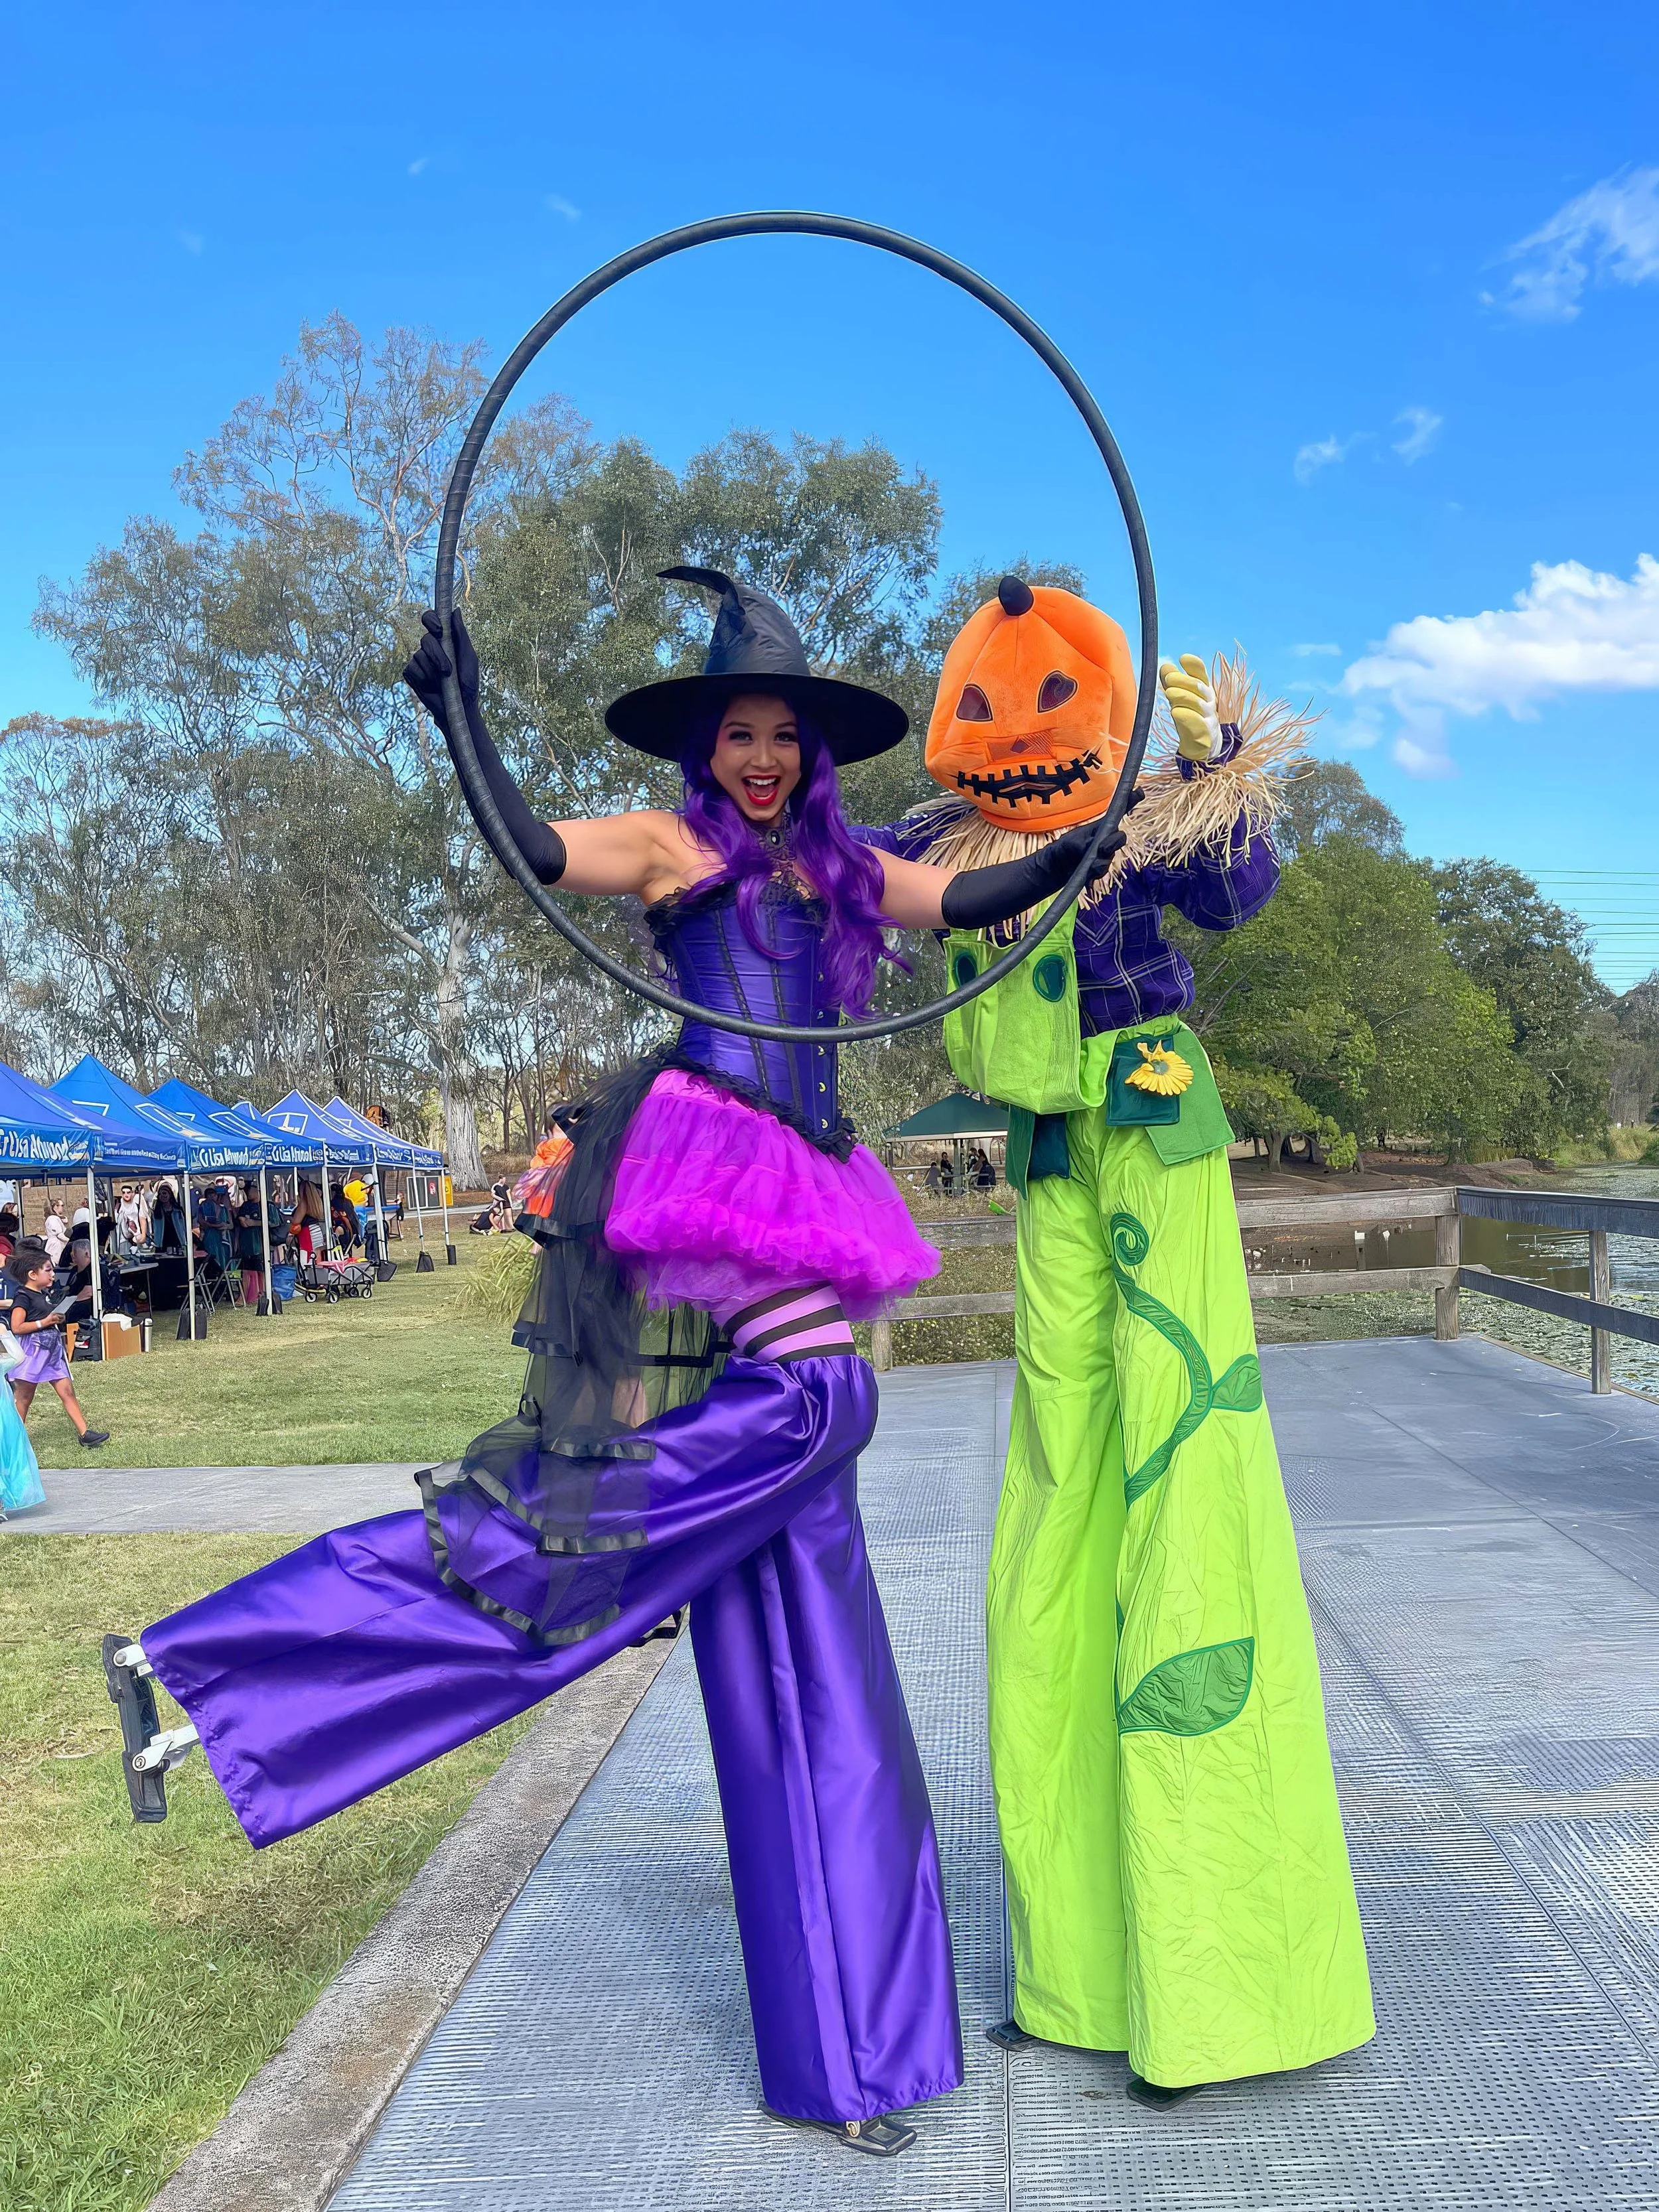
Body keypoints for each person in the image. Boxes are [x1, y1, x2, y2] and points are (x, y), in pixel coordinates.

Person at [106, 569, 1129, 2158]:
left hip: (816, 1164)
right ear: (704, 745)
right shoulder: (674, 849)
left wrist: (1080, 851)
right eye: (742, 732)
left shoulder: (850, 862)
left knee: (816, 1662)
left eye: (787, 735)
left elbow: (968, 906)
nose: (767, 757)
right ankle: (284, 1642)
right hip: (723, 1161)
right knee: (818, 1398)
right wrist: (458, 715)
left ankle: (850, 2056)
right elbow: (533, 852)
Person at [863, 579, 1372, 2103]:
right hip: (1061, 1171)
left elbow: (1241, 893)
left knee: (1180, 1496)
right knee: (1059, 1521)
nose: (1017, 741)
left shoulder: (1141, 831)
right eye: (989, 712)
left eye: (1045, 714)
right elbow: (831, 870)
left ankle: (1219, 1985)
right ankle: (1083, 1967)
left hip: (1154, 1137)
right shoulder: (951, 845)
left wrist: (1218, 786)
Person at [9, 1241, 109, 1448]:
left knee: (67, 1391)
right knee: (24, 1398)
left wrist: (56, 1318)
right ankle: (14, 1440)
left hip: (52, 1352)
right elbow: (17, 1327)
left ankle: (85, 1434)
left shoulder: (43, 1294)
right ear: (32, 1275)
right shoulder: (23, 1296)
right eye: (48, 1270)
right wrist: (44, 1322)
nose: (53, 1274)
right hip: (33, 1352)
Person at [233, 1181, 267, 1307]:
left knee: (261, 1270)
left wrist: (253, 1222)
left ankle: (263, 1293)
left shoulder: (265, 1205)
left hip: (262, 1244)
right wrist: (254, 1222)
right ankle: (244, 1295)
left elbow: (269, 1222)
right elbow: (242, 1222)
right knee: (246, 1270)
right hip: (247, 1245)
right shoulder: (246, 1206)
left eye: (251, 1190)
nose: (249, 1193)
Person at [41, 1201, 69, 1265]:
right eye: (61, 1205)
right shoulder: (53, 1219)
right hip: (55, 1246)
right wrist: (70, 1242)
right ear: (55, 1207)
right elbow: (60, 1235)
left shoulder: (56, 1218)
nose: (62, 1208)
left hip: (58, 1245)